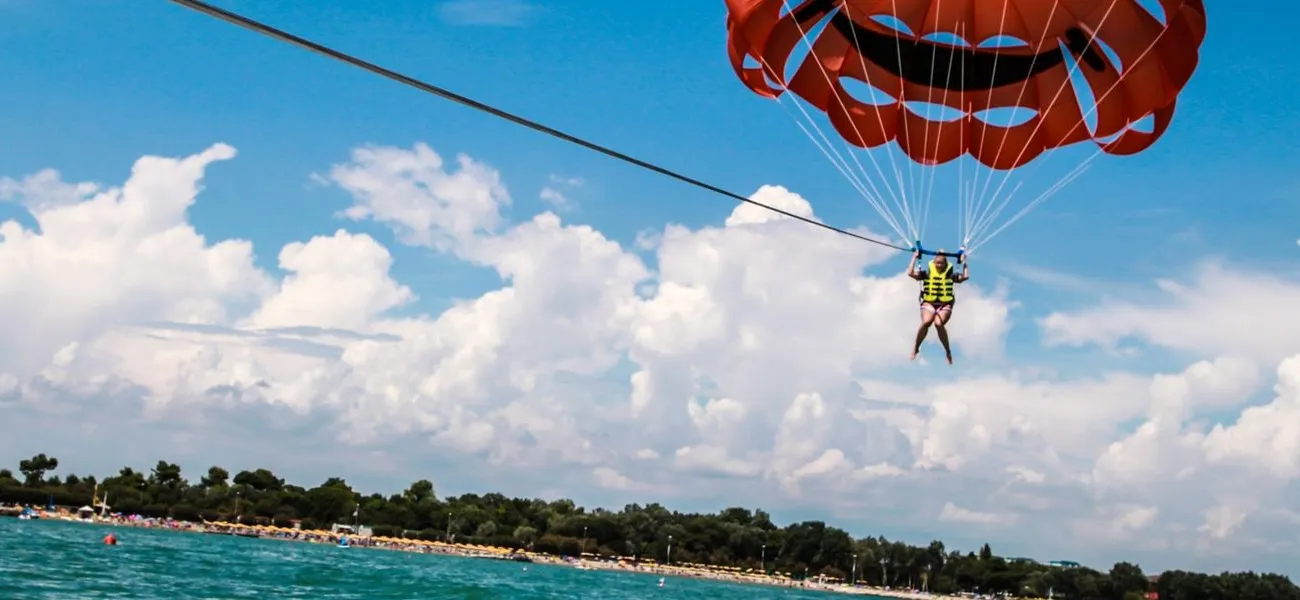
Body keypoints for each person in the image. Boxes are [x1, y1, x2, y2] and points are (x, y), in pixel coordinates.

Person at [907, 249, 969, 364]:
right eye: (937, 263)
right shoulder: (927, 274)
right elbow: (910, 273)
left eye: (942, 263)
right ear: (934, 263)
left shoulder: (951, 275)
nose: (939, 265)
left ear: (946, 264)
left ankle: (948, 351)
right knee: (926, 322)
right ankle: (916, 347)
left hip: (945, 304)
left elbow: (965, 277)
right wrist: (914, 258)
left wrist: (964, 262)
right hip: (928, 302)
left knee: (938, 324)